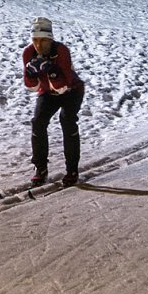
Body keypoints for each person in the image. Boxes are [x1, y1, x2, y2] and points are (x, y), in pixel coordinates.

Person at [22, 17, 86, 187]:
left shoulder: (62, 50)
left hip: (72, 91)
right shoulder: (28, 53)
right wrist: (30, 74)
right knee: (38, 122)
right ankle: (40, 168)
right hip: (48, 92)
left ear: (50, 39)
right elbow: (32, 87)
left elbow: (63, 86)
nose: (38, 45)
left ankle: (72, 170)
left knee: (67, 120)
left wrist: (52, 71)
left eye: (43, 40)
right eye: (35, 40)